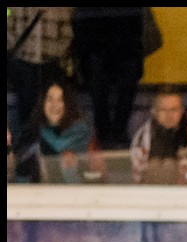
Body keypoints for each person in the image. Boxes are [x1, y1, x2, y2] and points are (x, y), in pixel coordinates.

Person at [70, 7, 148, 149]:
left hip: (104, 51)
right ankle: (115, 134)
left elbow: (80, 25)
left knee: (102, 93)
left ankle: (107, 135)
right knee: (114, 90)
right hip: (119, 50)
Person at [11, 79, 101, 184]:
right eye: (50, 99)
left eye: (60, 100)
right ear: (42, 103)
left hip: (77, 193)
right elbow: (20, 173)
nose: (55, 104)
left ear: (67, 104)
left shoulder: (81, 129)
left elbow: (59, 146)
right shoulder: (31, 133)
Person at [6, 7, 75, 136]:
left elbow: (66, 34)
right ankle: (29, 138)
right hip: (25, 61)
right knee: (27, 102)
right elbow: (9, 27)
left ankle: (44, 138)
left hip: (48, 61)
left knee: (48, 101)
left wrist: (56, 52)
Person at [129, 85, 187, 185]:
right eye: (163, 110)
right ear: (154, 111)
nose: (169, 115)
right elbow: (138, 179)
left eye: (174, 109)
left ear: (181, 111)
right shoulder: (143, 138)